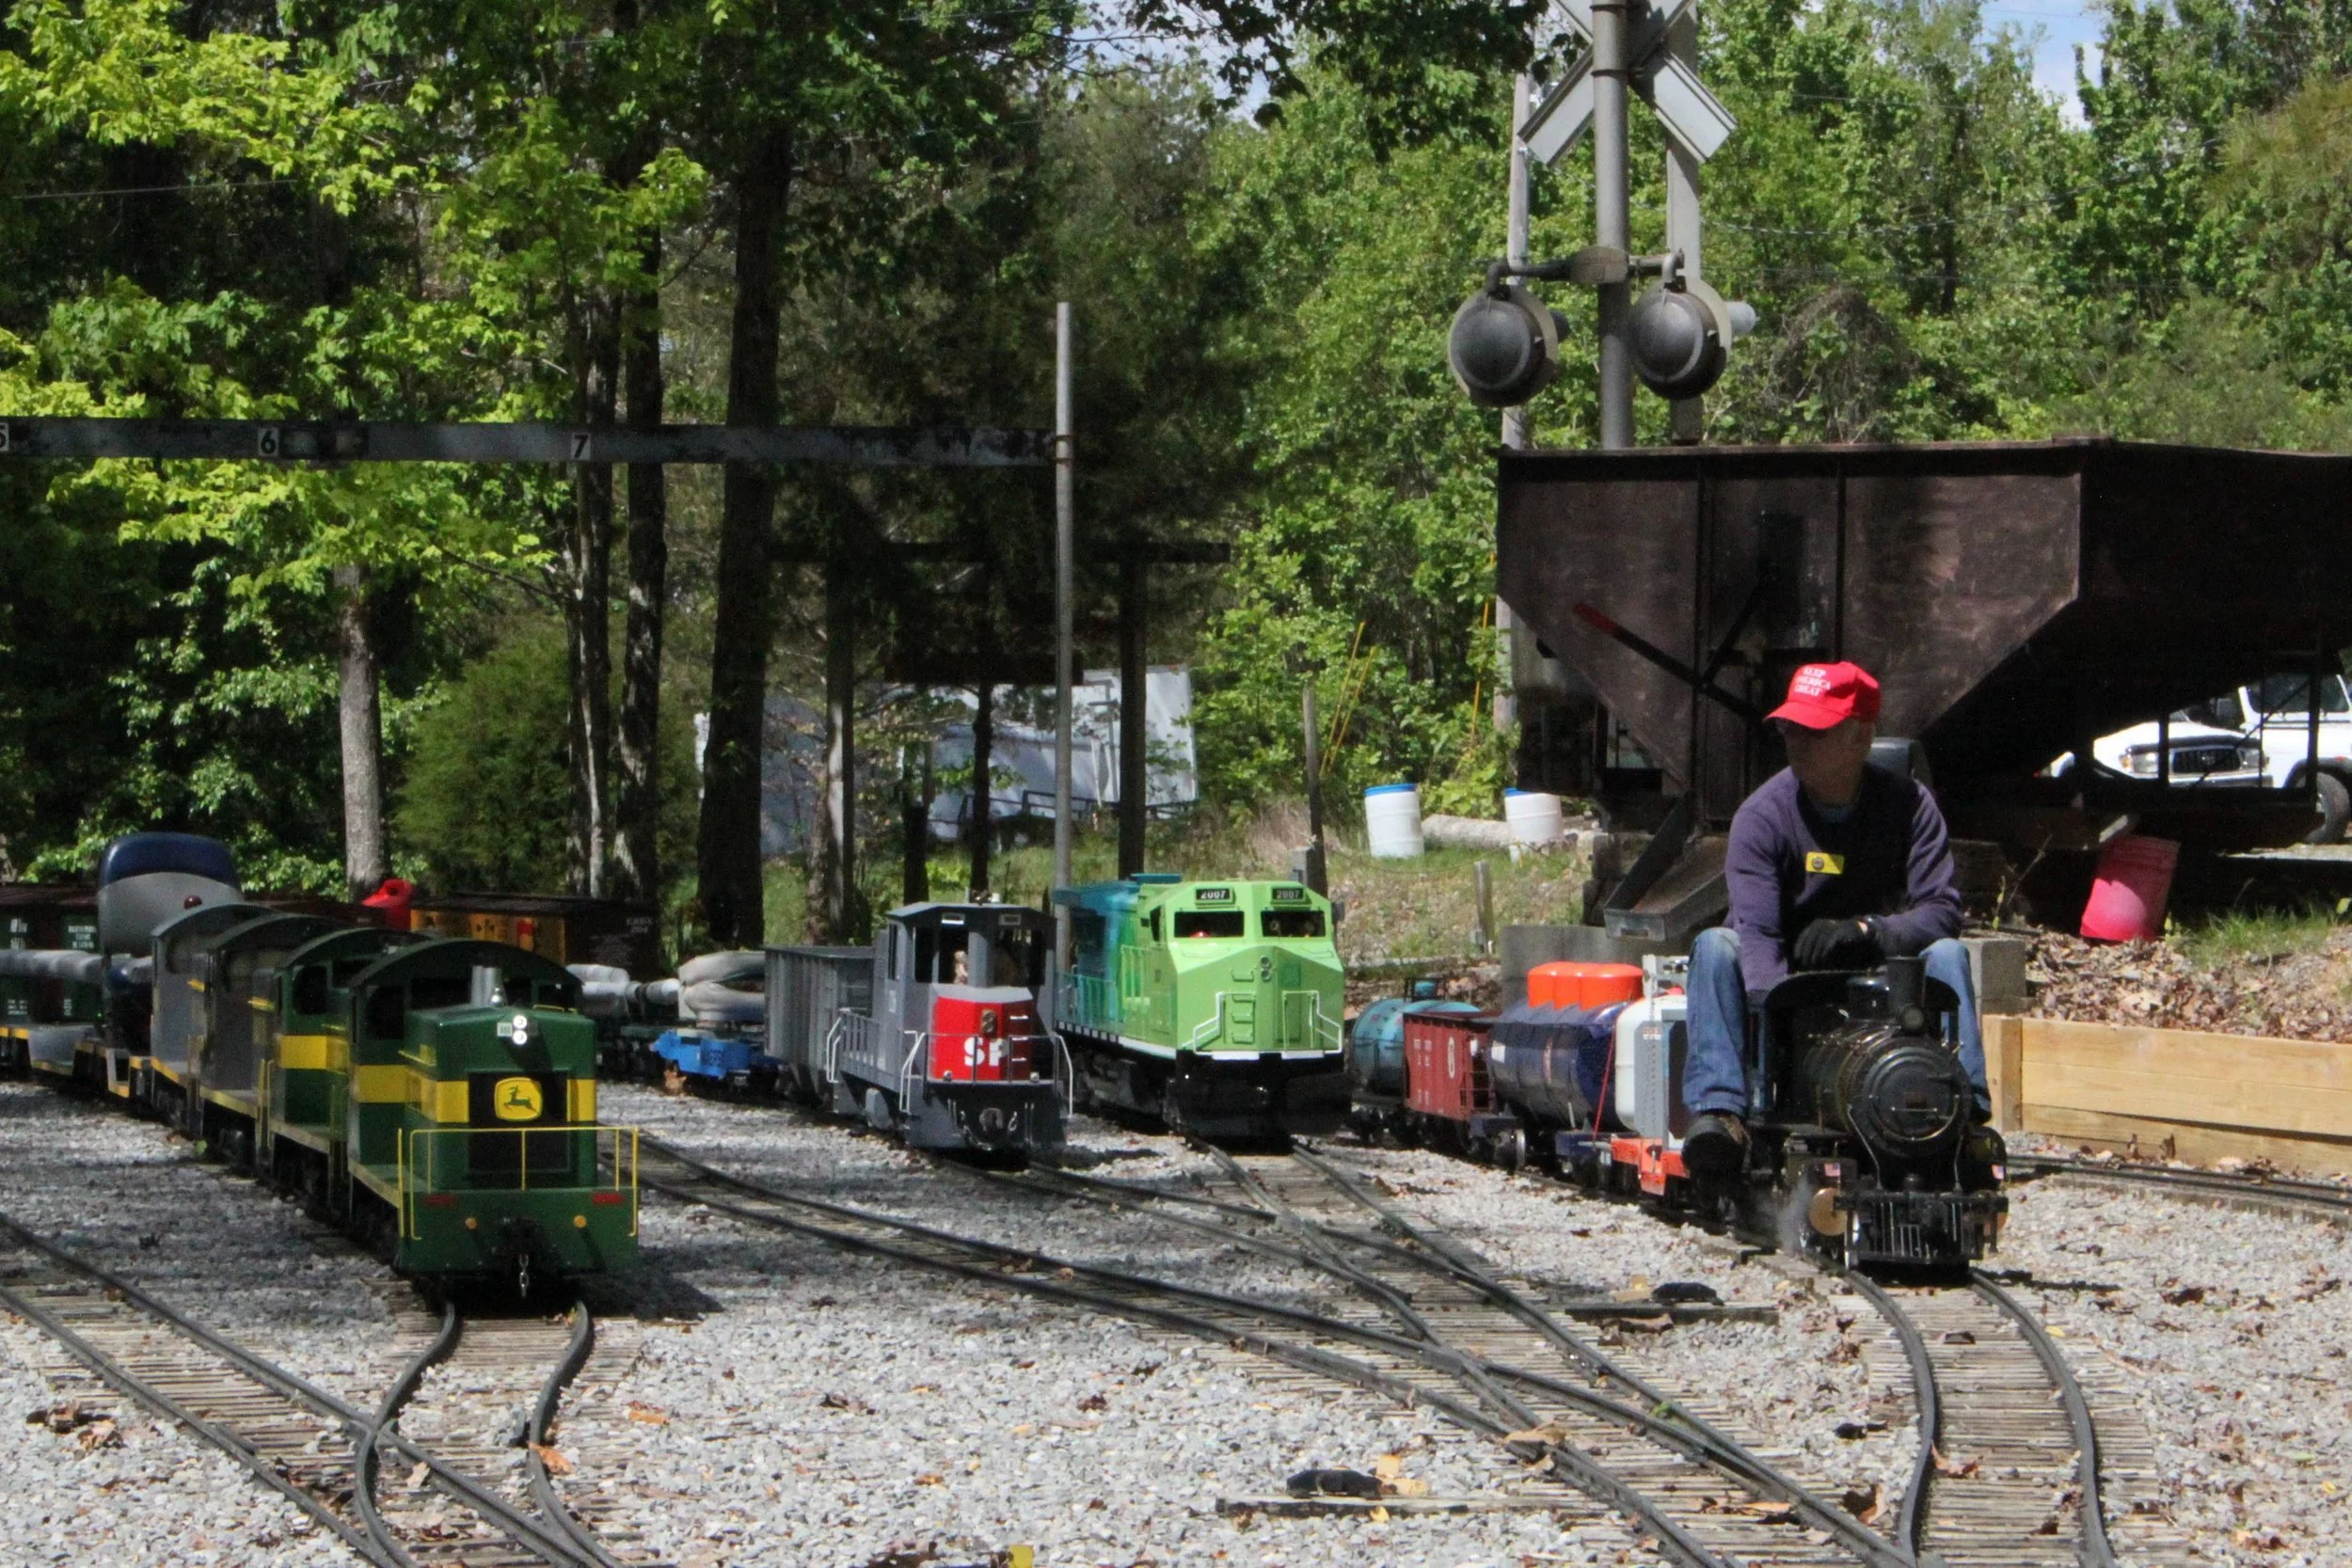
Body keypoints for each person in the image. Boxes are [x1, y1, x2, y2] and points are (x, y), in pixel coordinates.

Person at [1679, 660, 1985, 1179]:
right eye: (1789, 727)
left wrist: (1869, 930)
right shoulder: (1762, 816)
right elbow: (1758, 936)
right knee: (1715, 945)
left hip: (1881, 976)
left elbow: (1942, 911)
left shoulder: (1912, 806)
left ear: (1861, 737)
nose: (1796, 741)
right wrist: (1780, 1025)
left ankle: (1968, 1114)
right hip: (1787, 980)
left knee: (1949, 954)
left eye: (1813, 730)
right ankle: (1721, 1113)